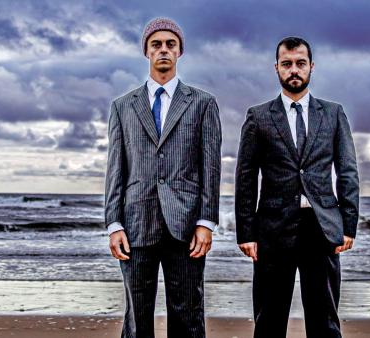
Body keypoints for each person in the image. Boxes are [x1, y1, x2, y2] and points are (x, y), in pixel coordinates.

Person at [104, 17, 221, 338]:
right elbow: (116, 167)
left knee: (188, 314)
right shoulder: (122, 106)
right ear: (146, 52)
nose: (163, 50)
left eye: (170, 44)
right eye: (156, 44)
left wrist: (206, 222)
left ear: (180, 51)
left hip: (185, 226)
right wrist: (113, 224)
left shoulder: (202, 103)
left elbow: (210, 167)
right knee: (137, 316)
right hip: (136, 224)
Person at [235, 36, 359, 338]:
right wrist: (246, 232)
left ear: (311, 67)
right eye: (287, 64)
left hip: (322, 228)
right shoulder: (259, 116)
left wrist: (349, 224)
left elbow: (347, 170)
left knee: (325, 321)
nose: (294, 70)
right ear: (276, 68)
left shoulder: (332, 113)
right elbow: (246, 176)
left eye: (300, 64)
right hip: (273, 230)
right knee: (268, 321)